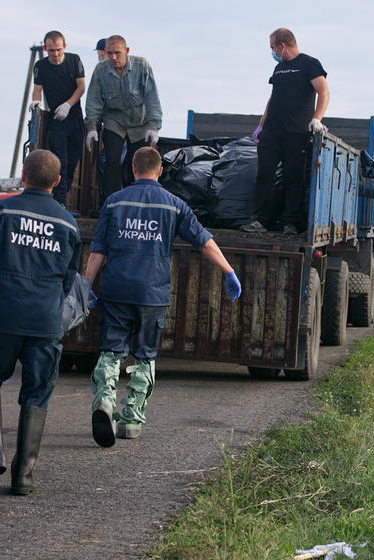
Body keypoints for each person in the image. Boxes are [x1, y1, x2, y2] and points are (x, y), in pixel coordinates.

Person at [85, 147, 241, 447]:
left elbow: (98, 250)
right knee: (144, 354)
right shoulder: (174, 204)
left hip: (116, 289)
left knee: (110, 350)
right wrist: (228, 271)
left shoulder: (114, 201)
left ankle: (104, 402)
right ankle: (130, 421)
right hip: (152, 293)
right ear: (159, 171)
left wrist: (86, 286)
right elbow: (204, 242)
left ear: (133, 169)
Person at [0, 150, 81, 496]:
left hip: (3, 312)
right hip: (45, 319)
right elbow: (69, 277)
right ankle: (24, 475)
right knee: (37, 390)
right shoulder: (67, 222)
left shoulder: (1, 211)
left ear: (23, 175)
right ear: (57, 181)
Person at [242, 27, 330, 235]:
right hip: (273, 131)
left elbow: (324, 92)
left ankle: (290, 222)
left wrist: (316, 119)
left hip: (296, 132)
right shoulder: (279, 69)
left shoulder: (310, 64)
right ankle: (260, 221)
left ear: (282, 45)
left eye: (272, 47)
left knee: (293, 177)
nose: (271, 51)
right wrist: (261, 125)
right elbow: (273, 98)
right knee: (264, 175)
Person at [85, 34, 162, 201]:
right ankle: (110, 203)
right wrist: (91, 127)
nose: (113, 57)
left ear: (126, 51)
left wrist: (154, 126)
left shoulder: (142, 66)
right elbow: (93, 100)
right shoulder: (100, 71)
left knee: (136, 164)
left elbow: (151, 97)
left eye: (117, 53)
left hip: (139, 122)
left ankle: (133, 201)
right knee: (112, 160)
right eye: (109, 53)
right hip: (114, 121)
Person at [32, 30, 86, 208]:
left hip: (75, 116)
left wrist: (68, 104)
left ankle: (62, 197)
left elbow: (81, 87)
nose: (55, 54)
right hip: (57, 119)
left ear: (65, 47)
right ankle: (60, 201)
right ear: (45, 48)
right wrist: (36, 102)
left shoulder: (74, 60)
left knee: (72, 162)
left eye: (58, 50)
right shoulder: (41, 65)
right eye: (51, 50)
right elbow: (37, 88)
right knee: (59, 161)